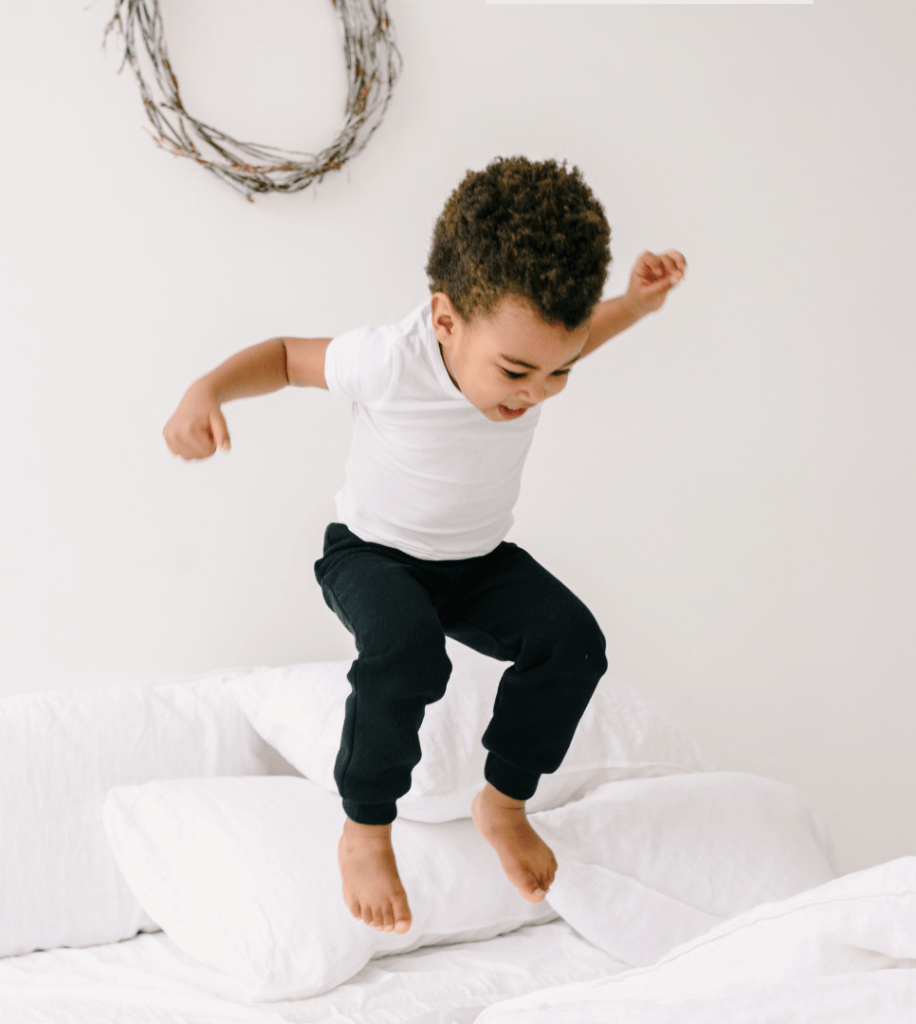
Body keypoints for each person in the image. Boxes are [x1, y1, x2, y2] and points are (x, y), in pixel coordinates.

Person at [163, 155, 686, 938]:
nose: (534, 393)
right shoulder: (387, 357)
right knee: (409, 653)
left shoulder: (532, 353)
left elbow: (569, 340)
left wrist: (635, 308)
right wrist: (206, 390)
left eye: (558, 374)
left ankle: (502, 801)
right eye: (516, 371)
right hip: (372, 555)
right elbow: (282, 357)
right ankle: (366, 827)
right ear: (445, 319)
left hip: (475, 563)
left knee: (572, 642)